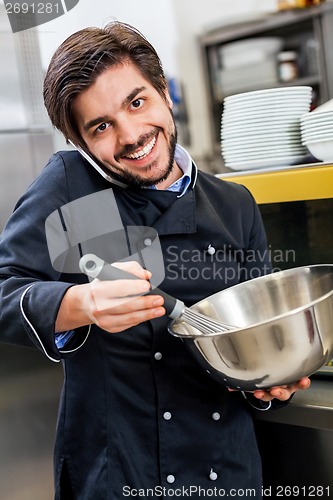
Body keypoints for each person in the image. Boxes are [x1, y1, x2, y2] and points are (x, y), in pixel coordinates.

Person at [0, 22, 310, 499]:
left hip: (224, 469)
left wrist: (269, 383)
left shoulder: (233, 205)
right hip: (119, 469)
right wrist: (79, 304)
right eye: (101, 126)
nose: (131, 135)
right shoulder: (69, 186)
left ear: (164, 92)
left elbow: (258, 339)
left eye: (137, 102)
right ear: (81, 143)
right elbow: (6, 291)